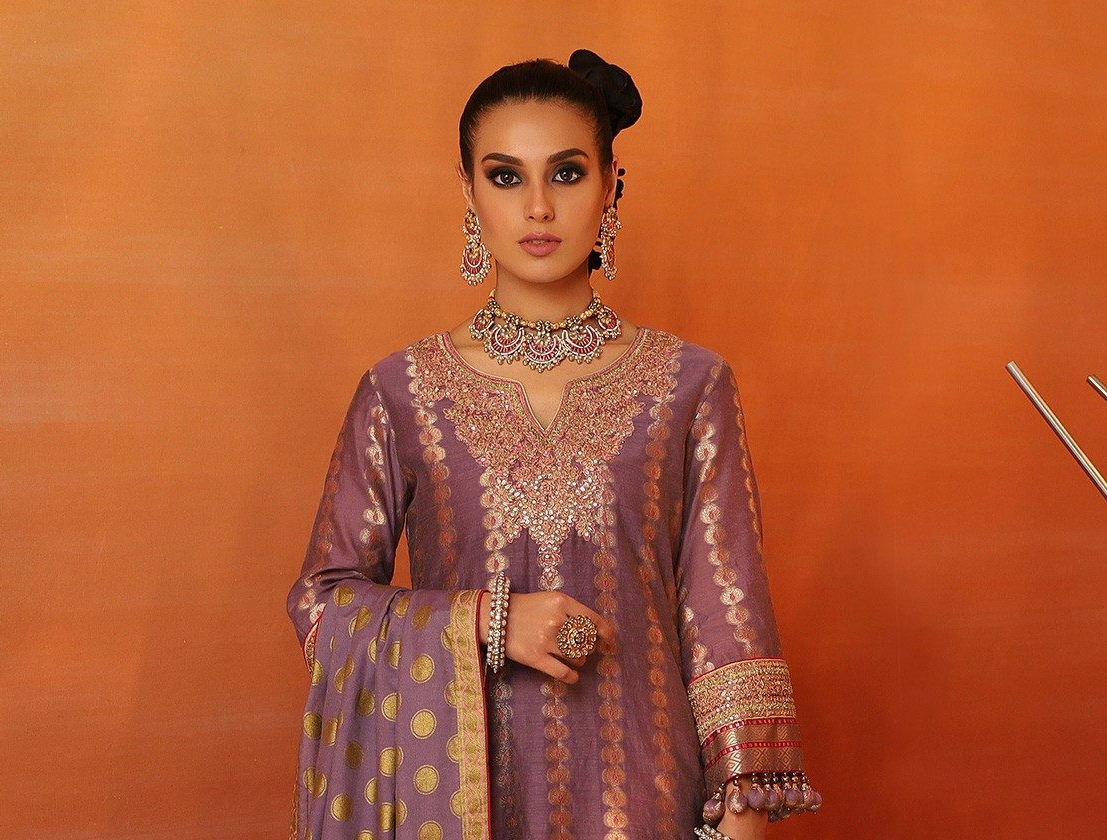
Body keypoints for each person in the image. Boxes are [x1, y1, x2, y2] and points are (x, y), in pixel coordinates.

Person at [285, 49, 822, 840]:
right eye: (506, 177)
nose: (538, 207)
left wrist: (741, 821)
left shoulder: (688, 386)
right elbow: (321, 604)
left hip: (645, 802)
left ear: (611, 187)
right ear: (467, 192)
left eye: (566, 174)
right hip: (459, 806)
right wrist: (488, 621)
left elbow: (727, 619)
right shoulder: (403, 392)